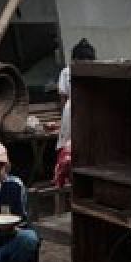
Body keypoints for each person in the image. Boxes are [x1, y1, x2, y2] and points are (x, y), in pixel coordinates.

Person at [55, 38, 96, 188]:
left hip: (84, 111)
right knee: (70, 147)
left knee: (79, 146)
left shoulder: (69, 71)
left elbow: (63, 97)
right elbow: (63, 98)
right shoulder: (67, 72)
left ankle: (77, 178)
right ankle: (66, 176)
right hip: (73, 111)